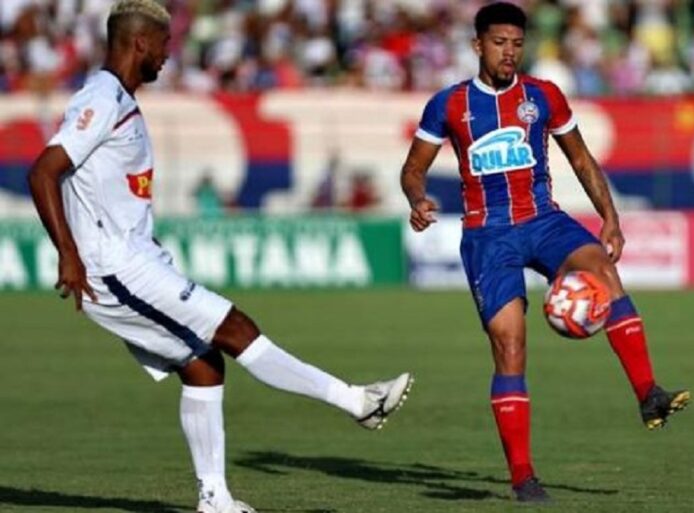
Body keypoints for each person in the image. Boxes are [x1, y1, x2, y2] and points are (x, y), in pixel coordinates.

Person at [27, 2, 413, 513]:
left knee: (204, 366)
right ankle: (357, 401)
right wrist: (69, 255)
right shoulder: (101, 99)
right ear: (140, 43)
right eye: (163, 44)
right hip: (115, 266)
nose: (168, 54)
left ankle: (215, 499)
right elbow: (43, 171)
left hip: (135, 260)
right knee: (235, 328)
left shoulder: (119, 99)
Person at [400, 2, 689, 503]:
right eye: (499, 43)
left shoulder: (543, 95)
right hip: (488, 235)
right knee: (510, 345)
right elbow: (413, 169)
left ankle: (648, 393)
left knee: (602, 269)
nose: (509, 52)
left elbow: (581, 158)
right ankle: (523, 477)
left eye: (517, 44)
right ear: (477, 45)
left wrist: (610, 217)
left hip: (543, 220)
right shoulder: (448, 105)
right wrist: (417, 198)